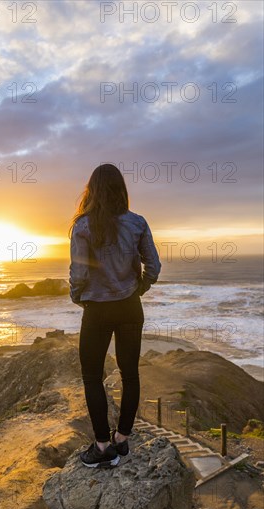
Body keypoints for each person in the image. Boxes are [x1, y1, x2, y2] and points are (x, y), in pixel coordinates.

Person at [68, 163, 161, 468]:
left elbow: (78, 274)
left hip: (97, 310)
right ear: (121, 190)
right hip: (129, 307)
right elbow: (154, 267)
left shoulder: (82, 226)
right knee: (130, 373)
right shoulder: (138, 222)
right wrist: (138, 290)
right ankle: (122, 440)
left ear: (91, 191)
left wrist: (78, 296)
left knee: (92, 377)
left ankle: (101, 446)